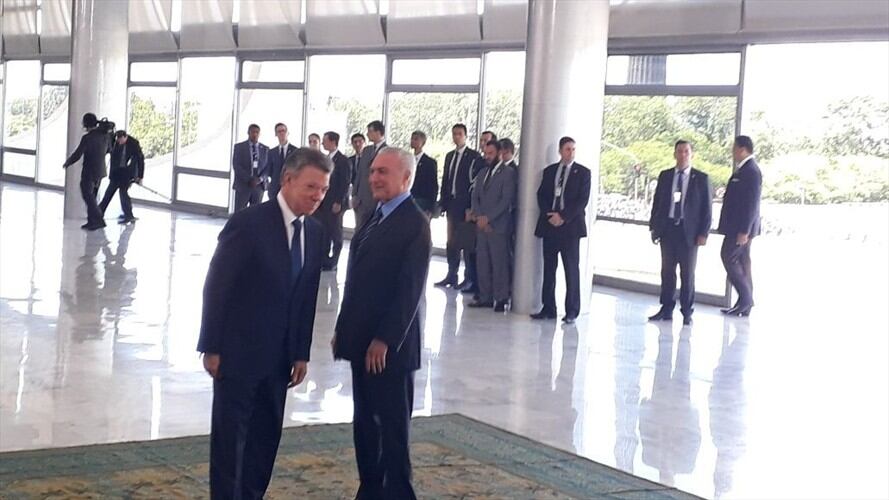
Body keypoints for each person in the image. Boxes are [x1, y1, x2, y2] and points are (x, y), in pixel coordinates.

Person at [197, 147, 331, 499]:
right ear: (287, 180)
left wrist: (300, 353)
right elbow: (217, 286)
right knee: (230, 439)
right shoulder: (249, 223)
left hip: (280, 358)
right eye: (311, 187)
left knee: (266, 437)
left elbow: (306, 298)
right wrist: (211, 346)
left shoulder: (315, 232)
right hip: (238, 353)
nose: (317, 196)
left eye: (323, 190)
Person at [333, 147, 431, 500]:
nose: (374, 178)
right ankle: (371, 489)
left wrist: (385, 340)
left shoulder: (414, 223)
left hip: (391, 349)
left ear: (406, 178)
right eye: (373, 171)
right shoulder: (376, 216)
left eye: (383, 172)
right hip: (362, 342)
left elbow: (409, 291)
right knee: (365, 423)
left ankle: (400, 493)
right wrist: (343, 328)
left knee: (392, 429)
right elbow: (357, 280)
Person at [648, 140, 713, 326]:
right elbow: (657, 203)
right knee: (667, 272)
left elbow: (707, 209)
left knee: (687, 274)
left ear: (691, 154)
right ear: (674, 154)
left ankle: (687, 311)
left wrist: (703, 233)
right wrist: (654, 227)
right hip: (668, 230)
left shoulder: (701, 178)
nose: (683, 155)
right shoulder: (665, 176)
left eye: (686, 151)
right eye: (679, 151)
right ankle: (666, 308)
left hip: (689, 233)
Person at [531, 136, 591, 324]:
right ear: (560, 151)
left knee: (571, 269)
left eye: (573, 149)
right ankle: (548, 308)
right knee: (549, 269)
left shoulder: (583, 173)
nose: (571, 153)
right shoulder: (550, 171)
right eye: (567, 149)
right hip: (550, 225)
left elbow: (582, 200)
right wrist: (550, 215)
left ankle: (572, 310)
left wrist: (563, 217)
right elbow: (541, 195)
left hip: (570, 228)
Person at [469, 140, 517, 312]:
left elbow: (506, 200)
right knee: (483, 262)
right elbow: (475, 196)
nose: (487, 156)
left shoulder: (508, 173)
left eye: (490, 153)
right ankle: (485, 297)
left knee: (499, 263)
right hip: (481, 226)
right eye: (485, 153)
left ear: (499, 153)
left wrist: (488, 218)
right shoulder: (482, 172)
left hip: (498, 225)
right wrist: (479, 216)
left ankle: (501, 298)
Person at [718, 135, 762, 317]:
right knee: (743, 262)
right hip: (737, 227)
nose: (732, 152)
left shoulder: (751, 171)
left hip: (740, 229)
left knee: (728, 257)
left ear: (742, 149)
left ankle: (746, 298)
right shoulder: (743, 169)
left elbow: (751, 204)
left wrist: (744, 230)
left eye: (734, 148)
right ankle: (744, 303)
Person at [435, 123, 482, 291]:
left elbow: (474, 185)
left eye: (459, 134)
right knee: (451, 242)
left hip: (465, 206)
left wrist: (471, 207)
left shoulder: (473, 156)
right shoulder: (449, 156)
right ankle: (451, 274)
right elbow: (446, 180)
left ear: (465, 136)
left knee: (467, 242)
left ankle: (468, 277)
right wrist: (443, 202)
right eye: (454, 133)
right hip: (452, 204)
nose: (456, 137)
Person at [63, 112, 112, 231]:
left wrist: (68, 162)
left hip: (89, 171)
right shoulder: (105, 135)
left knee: (88, 196)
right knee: (92, 196)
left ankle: (99, 220)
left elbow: (78, 154)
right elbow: (109, 150)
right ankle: (91, 221)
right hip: (100, 171)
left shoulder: (87, 138)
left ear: (86, 124)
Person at [318, 131, 353, 271]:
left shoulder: (343, 160)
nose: (322, 143)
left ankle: (334, 261)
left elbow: (345, 183)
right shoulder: (325, 159)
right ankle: (324, 259)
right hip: (324, 202)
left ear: (333, 142)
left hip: (335, 203)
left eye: (325, 140)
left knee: (335, 232)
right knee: (325, 231)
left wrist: (338, 201)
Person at [98, 130, 145, 225]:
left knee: (123, 193)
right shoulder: (115, 143)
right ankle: (99, 213)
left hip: (127, 174)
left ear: (125, 137)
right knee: (109, 193)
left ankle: (129, 215)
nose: (119, 142)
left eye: (120, 140)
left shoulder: (133, 143)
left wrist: (140, 176)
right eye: (118, 140)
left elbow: (140, 159)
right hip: (116, 173)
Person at [352, 121, 387, 228]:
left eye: (370, 131)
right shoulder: (367, 150)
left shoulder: (387, 151)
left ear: (378, 132)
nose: (367, 134)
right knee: (359, 229)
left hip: (377, 199)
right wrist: (354, 194)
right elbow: (360, 173)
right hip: (361, 198)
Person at [232, 124, 269, 212]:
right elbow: (236, 165)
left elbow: (268, 167)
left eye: (257, 132)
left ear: (259, 134)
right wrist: (249, 179)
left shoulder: (265, 149)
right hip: (243, 185)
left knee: (255, 213)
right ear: (248, 133)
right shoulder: (239, 147)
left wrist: (260, 179)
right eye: (253, 132)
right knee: (240, 213)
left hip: (259, 187)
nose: (255, 134)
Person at [409, 130, 439, 215]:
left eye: (416, 139)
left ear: (423, 142)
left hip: (422, 201)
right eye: (412, 139)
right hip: (409, 199)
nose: (413, 141)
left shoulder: (429, 162)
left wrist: (430, 208)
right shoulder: (408, 159)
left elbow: (433, 186)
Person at [267, 122, 297, 201]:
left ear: (288, 133)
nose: (281, 133)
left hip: (290, 187)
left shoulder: (296, 151)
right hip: (274, 189)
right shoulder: (272, 152)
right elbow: (269, 170)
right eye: (279, 131)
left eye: (283, 131)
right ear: (276, 134)